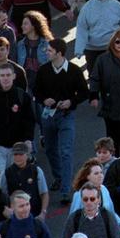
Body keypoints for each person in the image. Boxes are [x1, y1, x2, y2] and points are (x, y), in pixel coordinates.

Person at [33, 38, 88, 205]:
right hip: (48, 116)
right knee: (50, 149)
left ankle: (66, 189)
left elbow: (84, 93)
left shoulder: (74, 70)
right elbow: (37, 92)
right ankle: (58, 177)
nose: (46, 52)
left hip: (66, 116)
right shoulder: (43, 71)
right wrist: (45, 100)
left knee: (66, 151)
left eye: (49, 50)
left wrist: (71, 101)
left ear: (59, 53)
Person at [74, 0, 120, 75]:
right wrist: (79, 49)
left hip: (112, 49)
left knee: (113, 77)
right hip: (92, 51)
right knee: (95, 77)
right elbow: (81, 29)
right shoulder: (87, 7)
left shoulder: (117, 6)